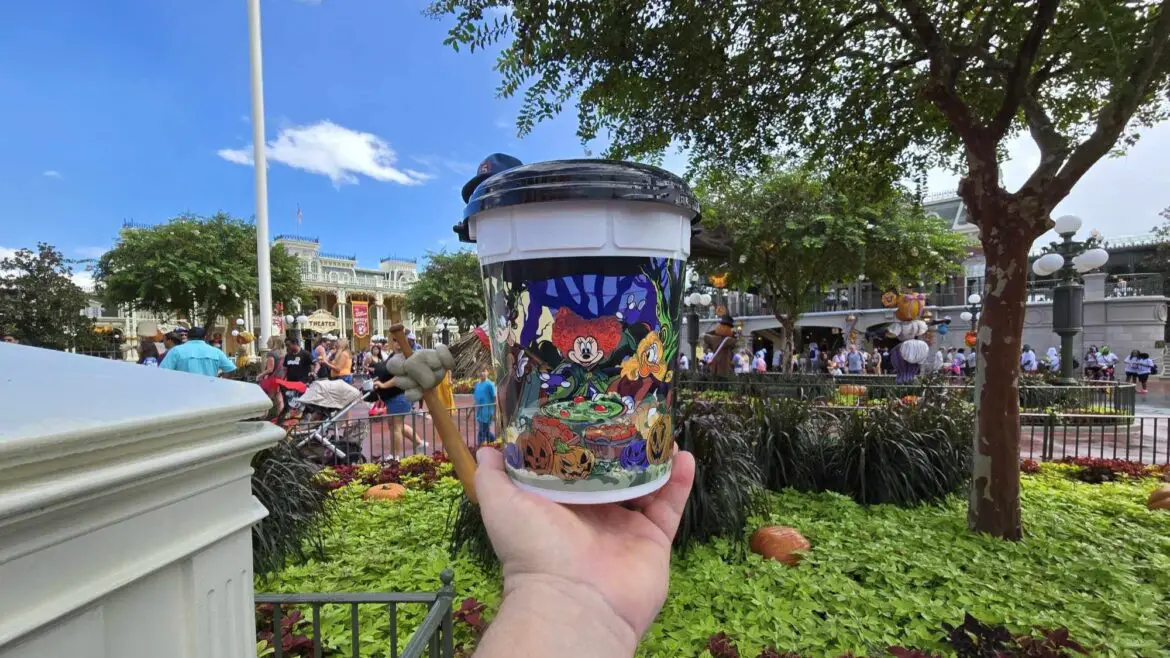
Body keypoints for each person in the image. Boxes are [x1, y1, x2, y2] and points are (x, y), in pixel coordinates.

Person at [371, 338, 420, 456]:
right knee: (396, 426)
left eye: (398, 340)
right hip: (392, 396)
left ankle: (395, 456)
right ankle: (419, 443)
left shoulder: (404, 358)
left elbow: (398, 378)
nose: (396, 343)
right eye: (395, 340)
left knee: (396, 427)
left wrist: (383, 385)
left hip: (399, 396)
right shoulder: (395, 355)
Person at [159, 326, 237, 377]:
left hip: (183, 394)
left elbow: (162, 373)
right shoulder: (216, 352)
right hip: (210, 394)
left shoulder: (176, 351)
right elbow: (231, 370)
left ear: (188, 337)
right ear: (205, 337)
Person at [258, 336, 286, 416]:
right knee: (279, 399)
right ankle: (281, 419)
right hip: (281, 379)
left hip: (273, 380)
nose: (267, 343)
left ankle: (263, 418)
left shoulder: (271, 353)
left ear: (273, 343)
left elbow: (270, 369)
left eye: (268, 341)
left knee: (267, 399)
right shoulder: (283, 353)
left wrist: (260, 375)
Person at [473, 368, 498, 445]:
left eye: (483, 371)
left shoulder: (490, 384)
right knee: (486, 432)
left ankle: (479, 447)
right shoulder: (477, 385)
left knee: (481, 432)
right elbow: (477, 399)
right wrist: (470, 412)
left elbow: (495, 399)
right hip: (480, 413)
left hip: (487, 412)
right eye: (480, 371)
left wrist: (495, 413)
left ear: (487, 372)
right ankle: (494, 440)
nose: (481, 373)